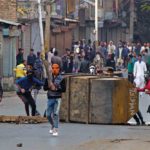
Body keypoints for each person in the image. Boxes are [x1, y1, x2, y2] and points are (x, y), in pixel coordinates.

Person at [44, 63, 66, 136]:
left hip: (57, 98)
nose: (54, 69)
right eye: (53, 68)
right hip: (50, 98)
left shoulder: (61, 78)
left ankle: (56, 129)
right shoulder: (48, 78)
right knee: (48, 115)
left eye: (56, 68)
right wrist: (49, 86)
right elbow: (44, 88)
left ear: (59, 69)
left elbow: (64, 89)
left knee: (56, 114)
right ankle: (53, 125)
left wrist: (56, 88)